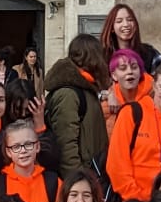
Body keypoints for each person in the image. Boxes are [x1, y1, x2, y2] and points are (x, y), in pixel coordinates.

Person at [107, 61, 161, 202]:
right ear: (154, 86)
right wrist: (136, 198)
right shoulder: (132, 113)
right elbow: (116, 164)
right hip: (133, 201)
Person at [42, 34, 110, 182]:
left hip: (91, 174)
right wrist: (78, 181)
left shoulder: (86, 88)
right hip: (80, 179)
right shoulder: (68, 94)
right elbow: (66, 145)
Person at [102, 2, 161, 74]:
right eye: (119, 21)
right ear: (112, 28)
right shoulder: (102, 56)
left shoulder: (151, 54)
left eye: (130, 20)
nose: (126, 24)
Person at [103, 46, 153, 123]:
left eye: (134, 67)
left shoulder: (156, 97)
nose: (130, 71)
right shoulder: (107, 105)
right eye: (123, 68)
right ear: (114, 76)